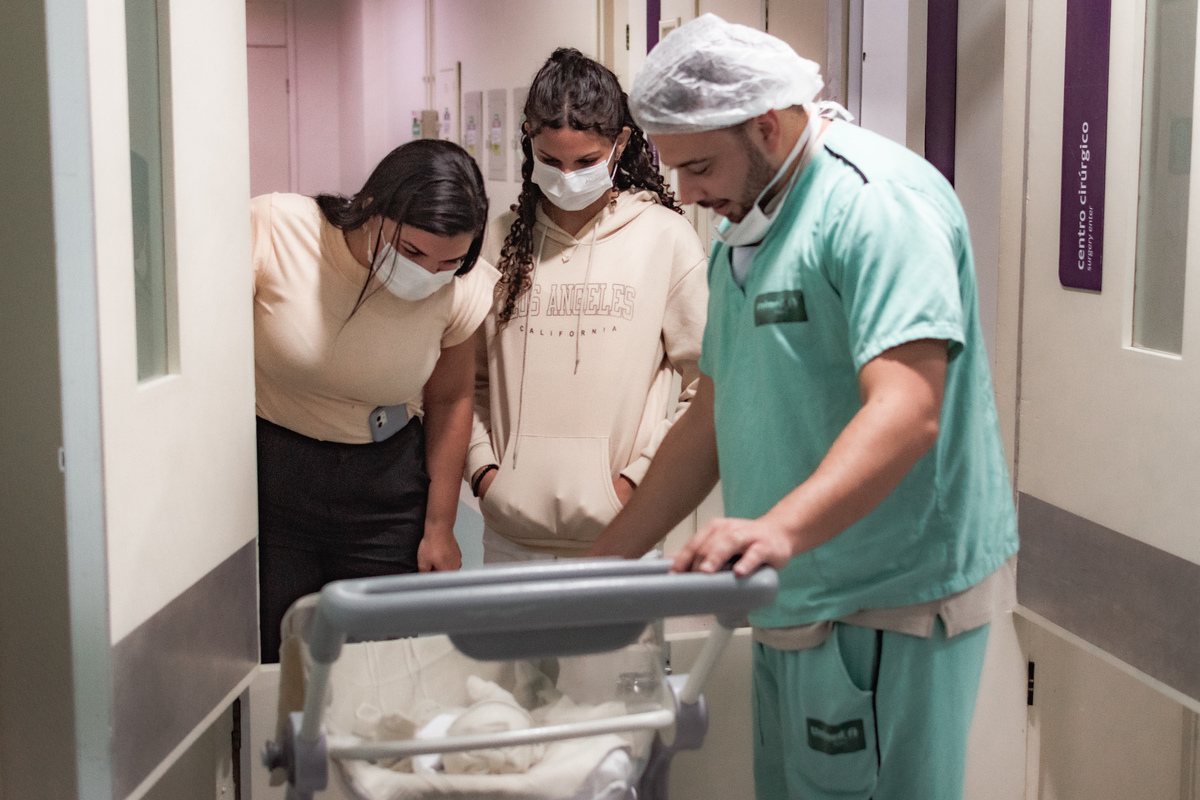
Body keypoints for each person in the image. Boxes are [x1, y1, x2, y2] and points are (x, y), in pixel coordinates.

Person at [587, 15, 1019, 800]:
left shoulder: (876, 205)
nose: (686, 193)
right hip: (794, 591)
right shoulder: (744, 232)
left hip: (887, 599)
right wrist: (601, 569)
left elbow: (909, 407)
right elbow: (713, 416)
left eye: (700, 166)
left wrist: (776, 530)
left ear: (767, 123)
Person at [252, 140, 496, 662]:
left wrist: (440, 526)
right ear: (372, 206)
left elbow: (451, 401)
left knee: (380, 663)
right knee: (279, 658)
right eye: (412, 252)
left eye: (448, 261)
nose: (429, 274)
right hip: (272, 475)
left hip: (384, 484)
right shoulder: (279, 231)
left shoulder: (462, 285)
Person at [466, 48, 708, 562]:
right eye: (551, 161)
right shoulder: (500, 240)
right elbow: (465, 381)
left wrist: (635, 483)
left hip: (623, 534)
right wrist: (485, 472)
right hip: (510, 534)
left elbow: (705, 383)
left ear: (619, 144)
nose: (567, 176)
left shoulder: (666, 239)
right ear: (529, 136)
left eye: (586, 162)